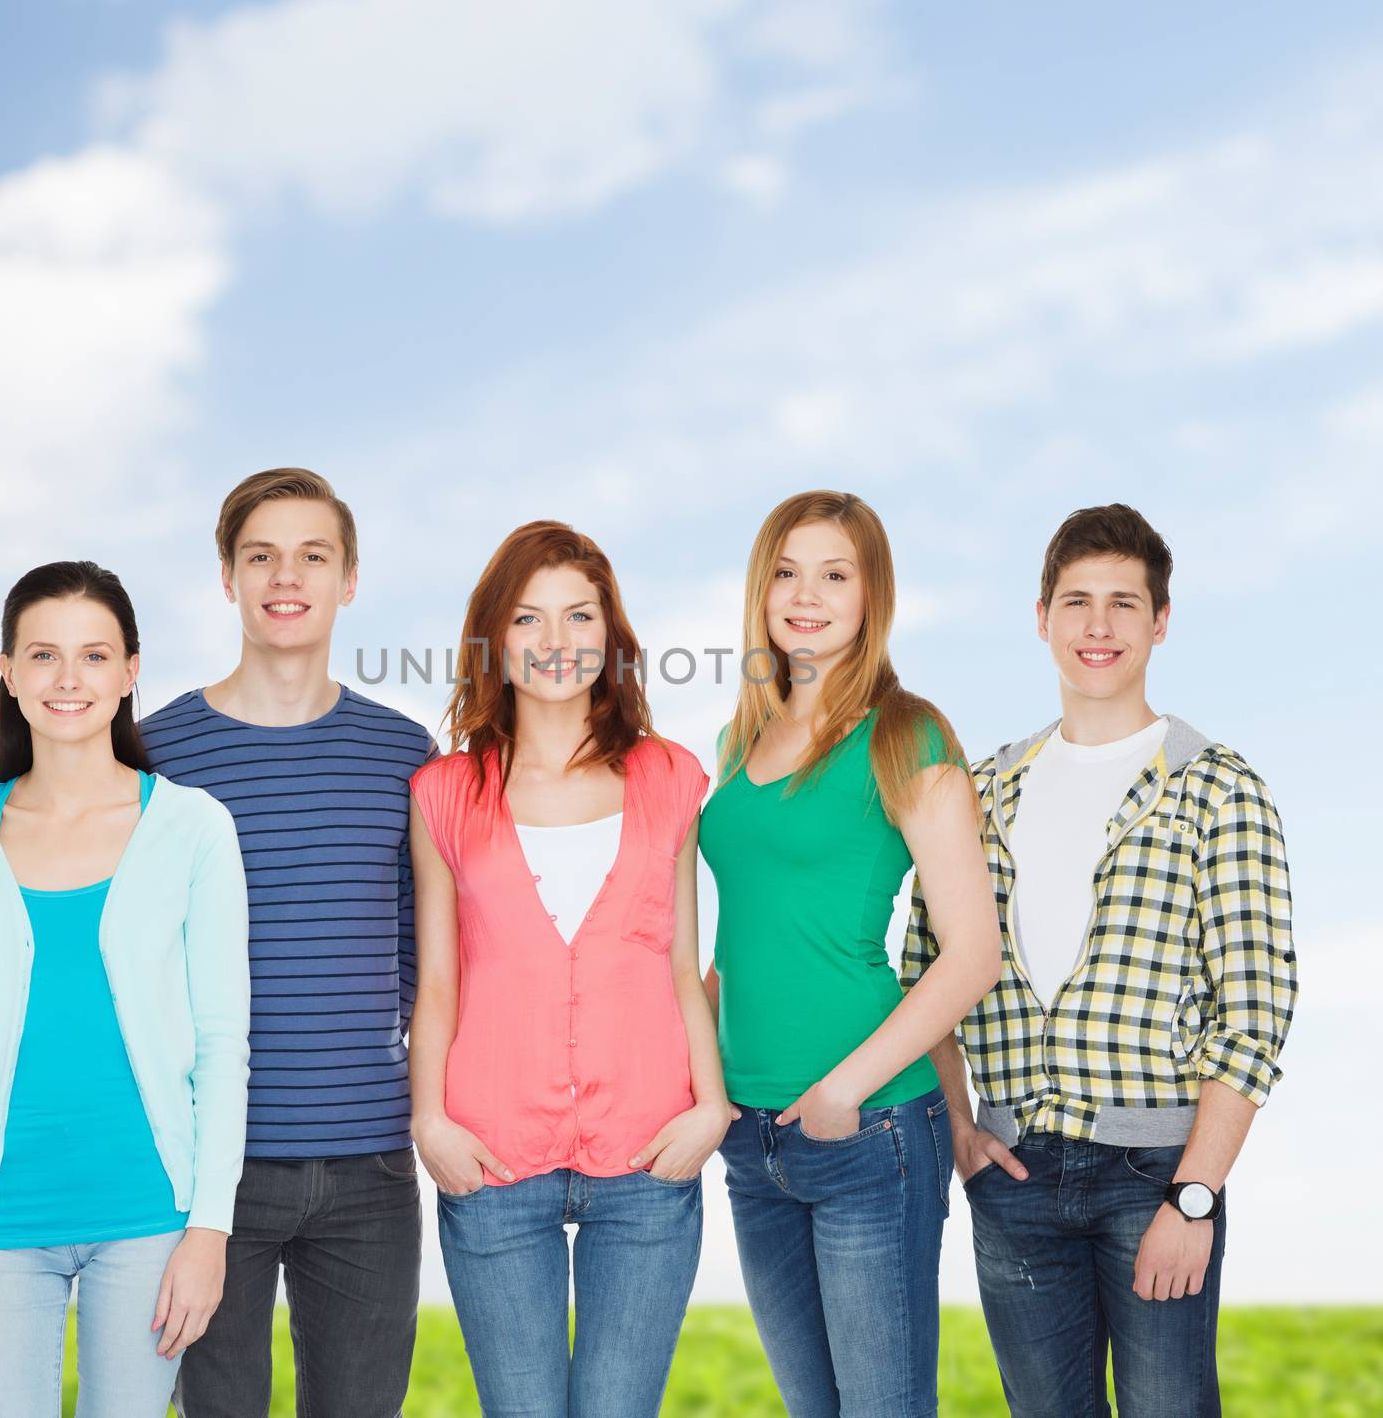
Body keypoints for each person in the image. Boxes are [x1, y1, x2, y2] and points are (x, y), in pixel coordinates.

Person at [903, 503, 1299, 1418]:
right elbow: (925, 972)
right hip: (1014, 1176)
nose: (1098, 625)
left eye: (1124, 603)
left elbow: (1256, 1007)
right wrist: (960, 1126)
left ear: (1160, 622)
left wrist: (1194, 1197)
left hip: (1153, 1178)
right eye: (1077, 601)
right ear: (1041, 617)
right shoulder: (984, 786)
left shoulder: (1217, 787)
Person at [0, 560, 251, 1418]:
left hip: (146, 1214)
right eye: (44, 655)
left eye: (96, 656)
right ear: (9, 671)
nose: (70, 679)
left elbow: (222, 1042)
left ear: (132, 671)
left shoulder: (194, 827)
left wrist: (209, 1228)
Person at [409, 519, 730, 1417]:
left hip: (649, 1152)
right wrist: (428, 1119)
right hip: (490, 1155)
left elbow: (681, 962)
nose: (556, 643)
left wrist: (710, 1107)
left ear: (610, 635)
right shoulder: (445, 791)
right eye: (528, 619)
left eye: (578, 616)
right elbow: (439, 979)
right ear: (494, 640)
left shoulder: (670, 776)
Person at [699, 490, 1001, 1418]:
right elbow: (739, 945)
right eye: (787, 572)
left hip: (869, 1130)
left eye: (836, 574)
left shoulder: (907, 734)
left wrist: (841, 1092)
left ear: (873, 596)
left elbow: (972, 953)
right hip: (752, 1137)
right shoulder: (736, 739)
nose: (807, 595)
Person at [143, 469, 436, 1418]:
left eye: (314, 554)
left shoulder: (404, 753)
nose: (287, 575)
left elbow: (420, 955)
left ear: (350, 579)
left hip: (370, 1169)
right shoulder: (154, 755)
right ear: (227, 576)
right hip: (206, 1176)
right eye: (261, 554)